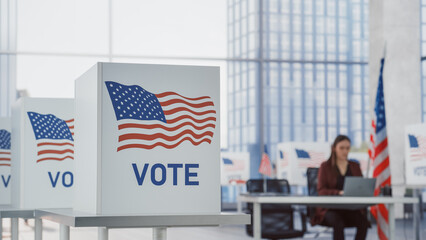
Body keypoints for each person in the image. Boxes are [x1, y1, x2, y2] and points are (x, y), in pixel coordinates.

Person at [310, 135, 369, 240]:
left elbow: (360, 186)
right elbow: (321, 191)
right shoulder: (325, 166)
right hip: (329, 209)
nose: (345, 151)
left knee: (363, 223)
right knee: (338, 223)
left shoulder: (354, 166)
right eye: (341, 148)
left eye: (347, 148)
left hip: (350, 208)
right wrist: (339, 192)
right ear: (334, 148)